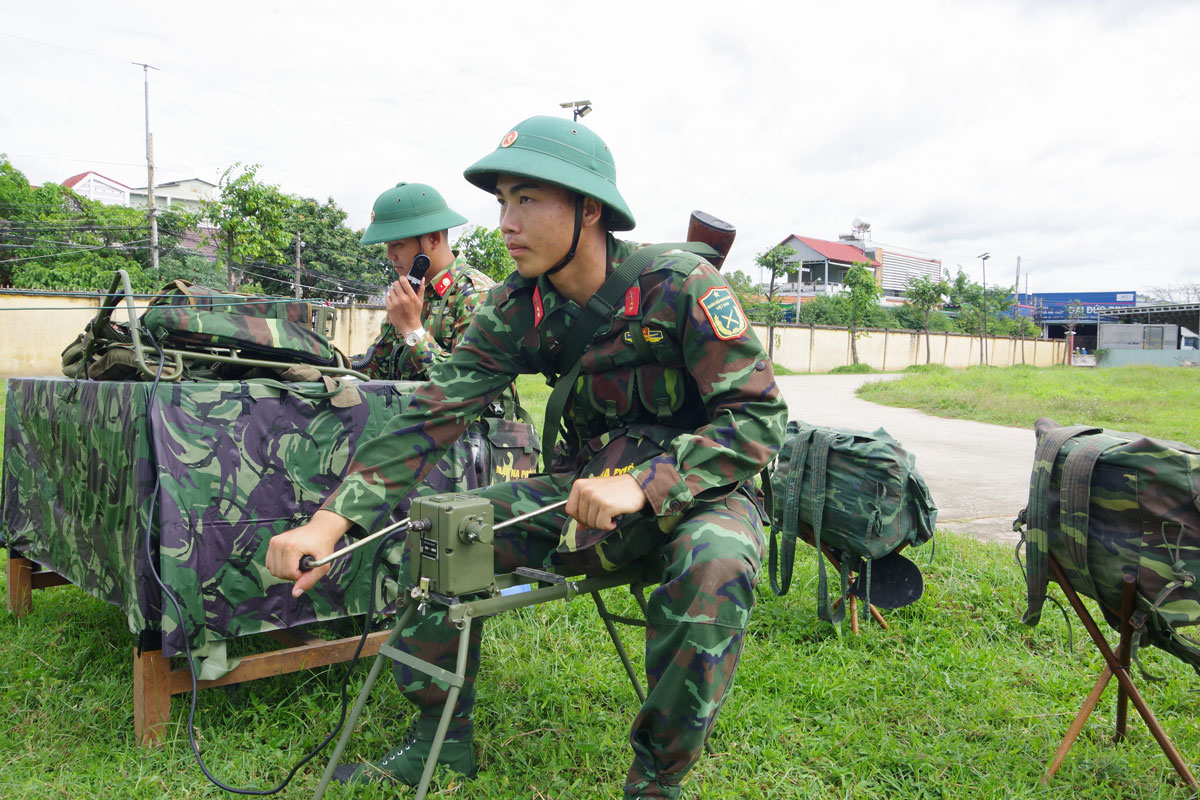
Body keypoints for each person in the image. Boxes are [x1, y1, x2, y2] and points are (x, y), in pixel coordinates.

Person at [266, 116, 787, 800]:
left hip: (706, 492)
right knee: (435, 535)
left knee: (713, 567)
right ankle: (440, 741)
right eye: (502, 201)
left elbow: (759, 415)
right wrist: (330, 523)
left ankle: (656, 781)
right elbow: (434, 411)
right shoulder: (517, 306)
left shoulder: (681, 285)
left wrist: (647, 483)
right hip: (581, 489)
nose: (507, 222)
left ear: (589, 209)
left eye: (528, 200)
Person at [351, 181, 494, 382]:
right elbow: (375, 366)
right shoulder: (412, 292)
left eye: (397, 244)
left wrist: (413, 330)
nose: (389, 254)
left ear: (434, 239)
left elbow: (470, 385)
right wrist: (326, 362)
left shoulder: (477, 295)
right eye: (387, 245)